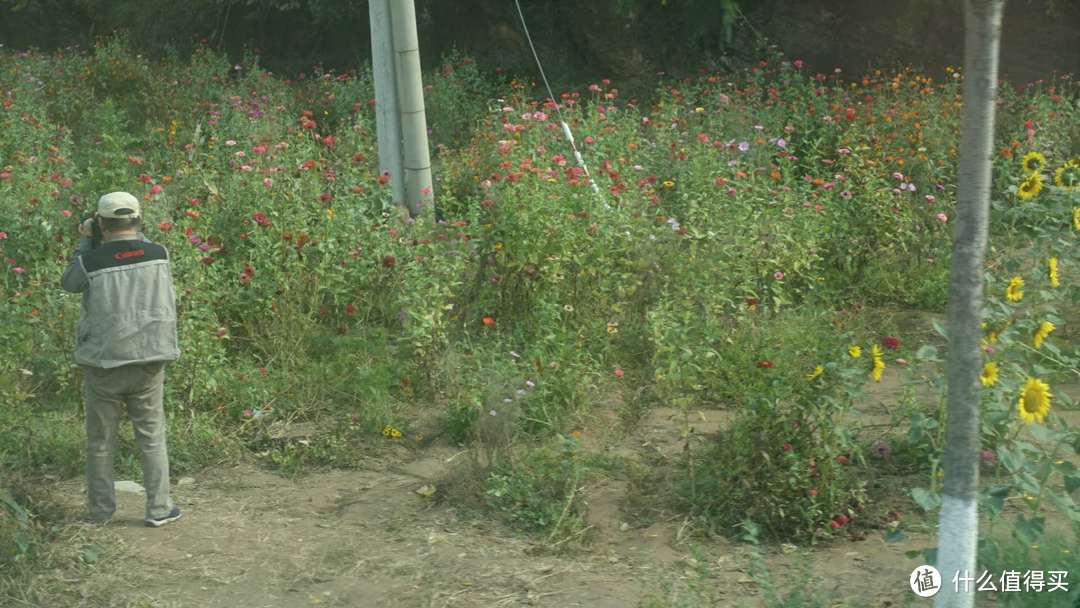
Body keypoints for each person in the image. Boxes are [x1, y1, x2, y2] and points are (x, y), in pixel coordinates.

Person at [60, 191, 182, 527]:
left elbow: (69, 283)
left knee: (101, 440)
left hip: (105, 363)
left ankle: (101, 511)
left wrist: (86, 240)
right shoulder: (159, 253)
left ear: (101, 222)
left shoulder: (92, 260)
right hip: (150, 358)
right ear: (139, 220)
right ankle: (158, 509)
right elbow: (133, 248)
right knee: (152, 436)